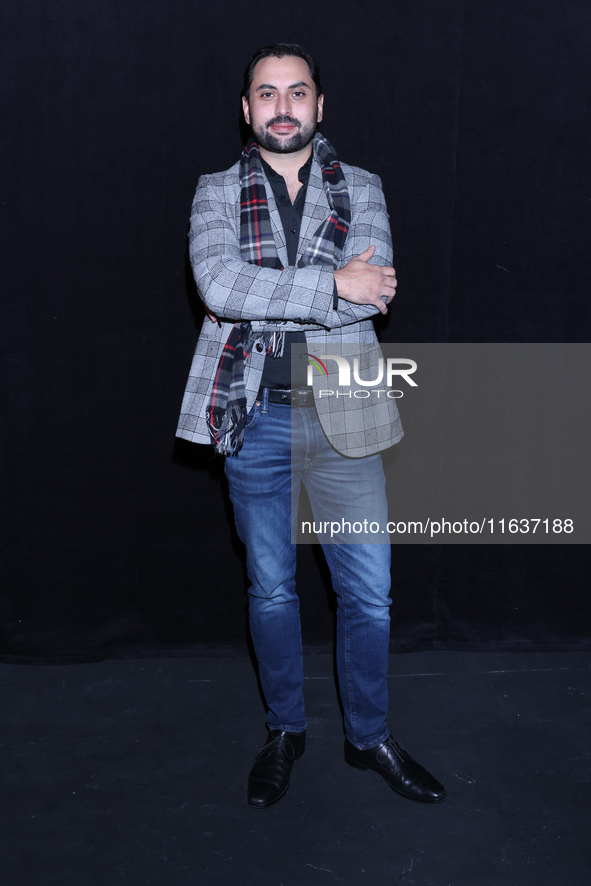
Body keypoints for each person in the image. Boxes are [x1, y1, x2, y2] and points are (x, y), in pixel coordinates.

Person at [177, 43, 446, 808]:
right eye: (267, 93)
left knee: (369, 596)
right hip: (251, 415)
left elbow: (375, 293)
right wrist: (332, 278)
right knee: (270, 592)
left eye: (297, 92)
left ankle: (368, 740)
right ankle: (284, 731)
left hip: (346, 418)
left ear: (319, 106)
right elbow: (218, 284)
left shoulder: (360, 186)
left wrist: (295, 290)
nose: (283, 105)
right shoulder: (215, 191)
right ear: (247, 108)